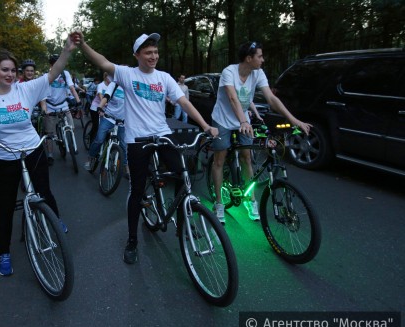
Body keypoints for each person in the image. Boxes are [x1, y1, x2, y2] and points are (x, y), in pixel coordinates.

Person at [73, 31, 218, 264]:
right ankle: (132, 240)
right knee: (137, 190)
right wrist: (83, 45)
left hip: (162, 134)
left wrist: (205, 125)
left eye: (156, 52)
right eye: (148, 52)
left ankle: (183, 226)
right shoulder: (127, 74)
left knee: (182, 176)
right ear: (137, 55)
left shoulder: (164, 78)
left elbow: (183, 102)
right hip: (137, 140)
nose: (153, 56)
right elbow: (101, 61)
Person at [0, 35, 78, 276]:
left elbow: (53, 73)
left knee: (44, 192)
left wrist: (67, 51)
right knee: (5, 206)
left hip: (32, 150)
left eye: (13, 70)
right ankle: (4, 252)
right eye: (5, 70)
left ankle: (55, 220)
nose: (10, 74)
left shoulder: (25, 89)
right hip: (5, 158)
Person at [210, 41, 312, 223]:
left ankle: (251, 200)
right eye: (260, 56)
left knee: (247, 158)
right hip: (223, 119)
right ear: (249, 58)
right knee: (220, 159)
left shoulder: (257, 73)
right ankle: (218, 202)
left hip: (244, 121)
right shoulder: (229, 72)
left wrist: (293, 120)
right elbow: (233, 98)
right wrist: (242, 120)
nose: (263, 60)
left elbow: (271, 99)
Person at [40, 54, 82, 165]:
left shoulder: (65, 74)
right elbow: (42, 95)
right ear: (51, 65)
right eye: (55, 63)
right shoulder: (46, 76)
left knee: (71, 127)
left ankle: (69, 140)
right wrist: (44, 109)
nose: (58, 65)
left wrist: (78, 101)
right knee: (49, 134)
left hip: (63, 105)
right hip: (50, 106)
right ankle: (50, 154)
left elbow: (72, 88)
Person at [83, 79, 128, 177]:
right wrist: (100, 107)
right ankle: (91, 157)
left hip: (122, 121)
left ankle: (126, 166)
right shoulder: (114, 84)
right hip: (109, 117)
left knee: (124, 145)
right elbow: (106, 97)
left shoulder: (130, 86)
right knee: (99, 139)